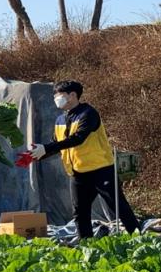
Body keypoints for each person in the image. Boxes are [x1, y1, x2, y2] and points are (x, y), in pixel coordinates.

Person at [28, 80, 140, 239]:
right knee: (80, 211)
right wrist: (38, 154)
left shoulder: (88, 113)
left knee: (118, 206)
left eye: (59, 95)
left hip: (100, 169)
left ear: (72, 95)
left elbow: (78, 138)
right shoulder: (60, 120)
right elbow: (57, 143)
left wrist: (46, 148)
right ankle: (86, 244)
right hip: (78, 173)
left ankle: (138, 238)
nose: (55, 98)